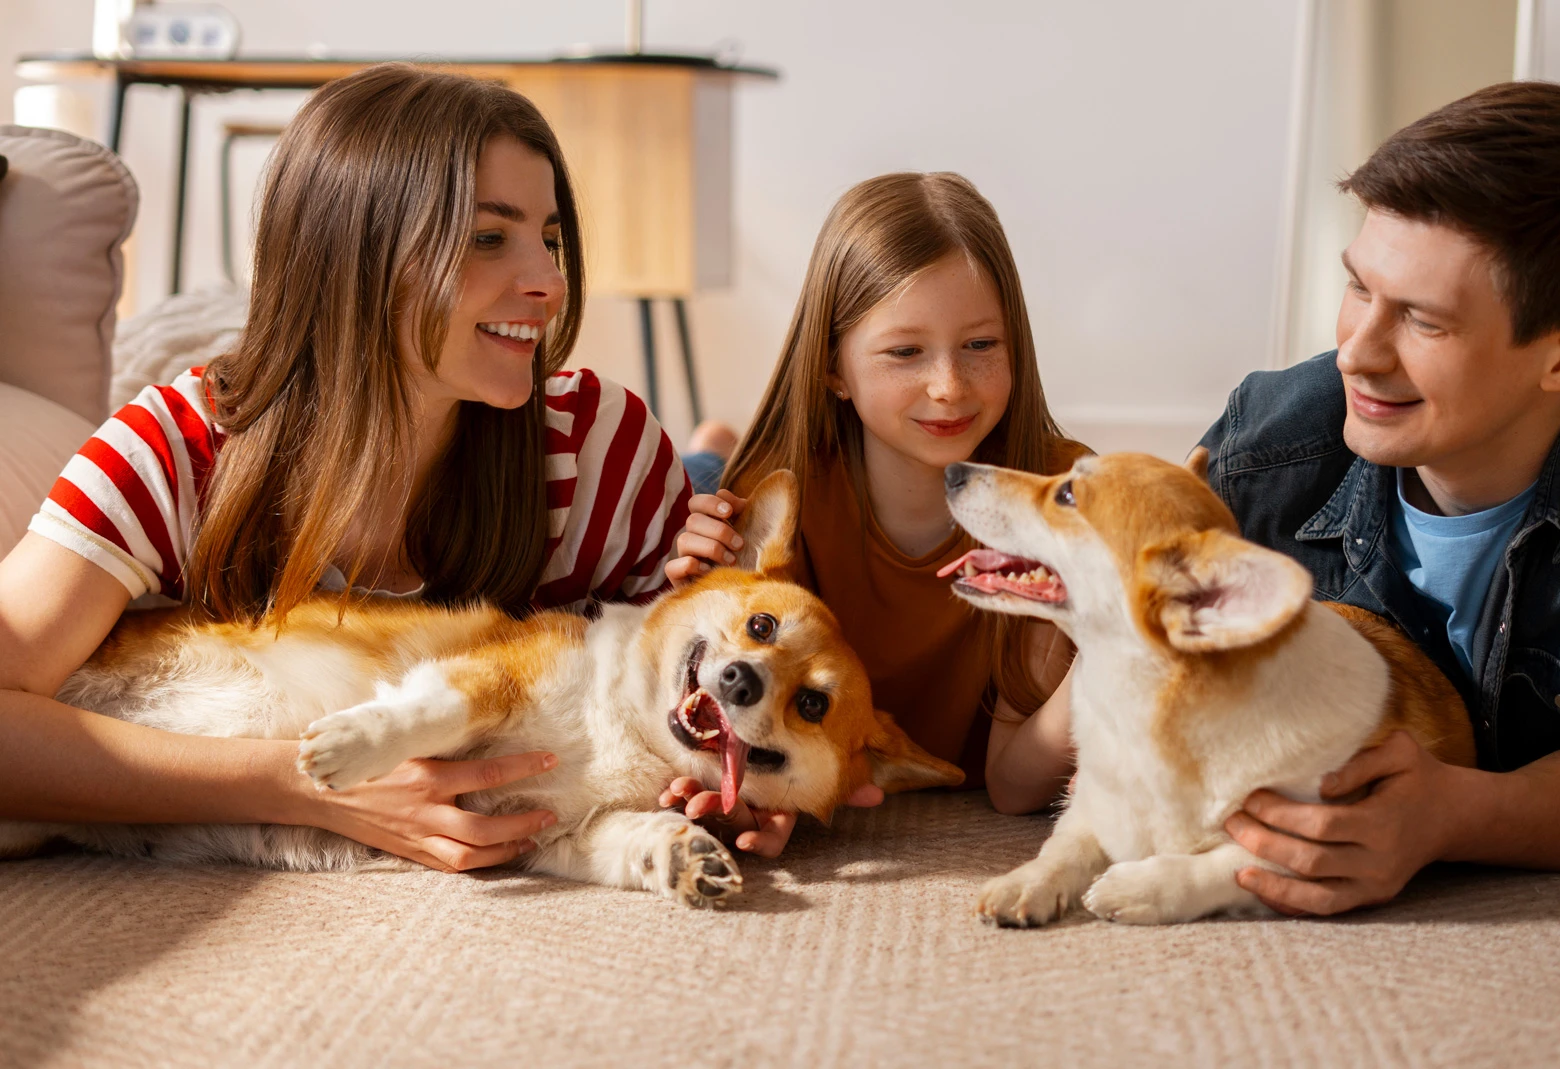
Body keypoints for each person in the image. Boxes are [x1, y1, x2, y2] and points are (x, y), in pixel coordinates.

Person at [0, 64, 691, 873]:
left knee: (722, 477)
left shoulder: (603, 445)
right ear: (354, 254)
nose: (547, 282)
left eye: (549, 238)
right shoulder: (167, 450)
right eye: (487, 237)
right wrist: (307, 785)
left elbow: (703, 686)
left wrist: (731, 783)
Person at [1195, 82, 1560, 915]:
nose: (1355, 354)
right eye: (1359, 287)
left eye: (1422, 321)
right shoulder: (1264, 451)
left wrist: (1454, 817)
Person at [661, 172, 1087, 855]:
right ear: (833, 367)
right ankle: (708, 448)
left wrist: (1111, 649)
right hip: (755, 479)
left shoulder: (1060, 502)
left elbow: (1013, 789)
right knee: (694, 492)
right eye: (904, 352)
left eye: (980, 345)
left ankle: (710, 445)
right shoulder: (778, 495)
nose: (948, 387)